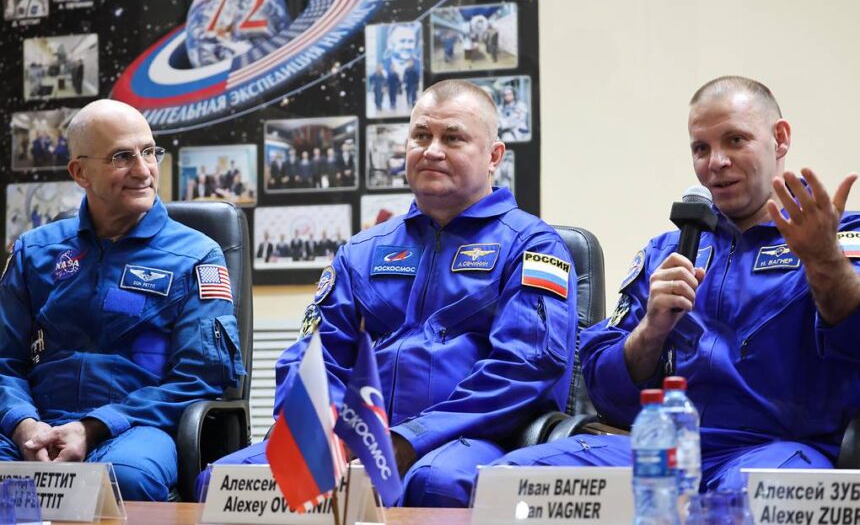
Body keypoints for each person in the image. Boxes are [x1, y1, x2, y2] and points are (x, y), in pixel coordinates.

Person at [203, 79, 577, 507]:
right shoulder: (362, 252)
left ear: (494, 157)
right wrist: (323, 430)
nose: (432, 150)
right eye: (421, 135)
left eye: (452, 138)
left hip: (470, 439)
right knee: (228, 479)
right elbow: (312, 357)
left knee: (436, 483)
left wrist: (410, 438)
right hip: (353, 435)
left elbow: (525, 366)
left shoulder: (531, 246)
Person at [494, 76, 860, 491]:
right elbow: (606, 393)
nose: (715, 162)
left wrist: (823, 260)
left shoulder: (839, 238)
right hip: (661, 451)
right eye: (701, 148)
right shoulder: (665, 252)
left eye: (735, 140)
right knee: (511, 485)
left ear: (780, 138)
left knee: (752, 503)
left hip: (776, 450)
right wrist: (650, 330)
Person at [0, 99, 245, 501]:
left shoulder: (196, 256)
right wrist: (23, 424)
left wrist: (94, 425)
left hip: (135, 428)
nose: (143, 170)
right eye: (121, 157)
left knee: (125, 481)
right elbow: (5, 362)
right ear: (80, 172)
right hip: (36, 426)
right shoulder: (34, 252)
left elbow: (199, 378)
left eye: (149, 152)